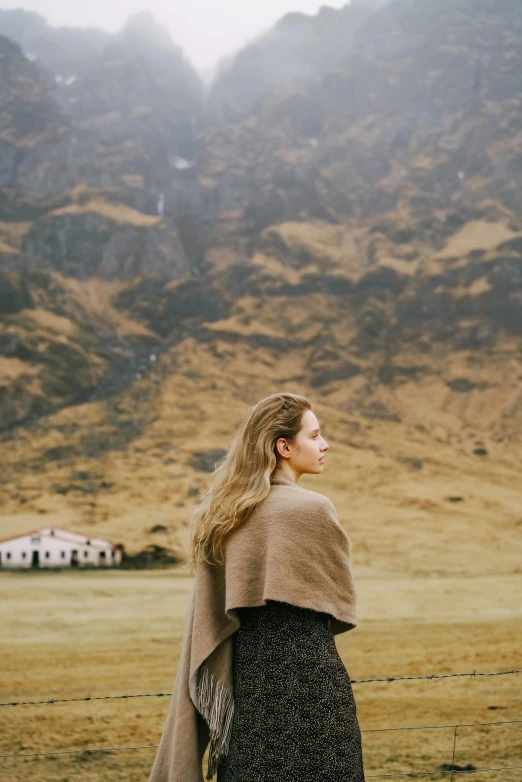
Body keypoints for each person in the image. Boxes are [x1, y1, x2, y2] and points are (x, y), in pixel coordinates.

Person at [148, 392, 366, 782]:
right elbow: (338, 605)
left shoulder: (227, 516)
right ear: (284, 446)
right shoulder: (312, 509)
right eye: (314, 435)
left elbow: (211, 620)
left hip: (248, 695)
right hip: (314, 691)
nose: (325, 444)